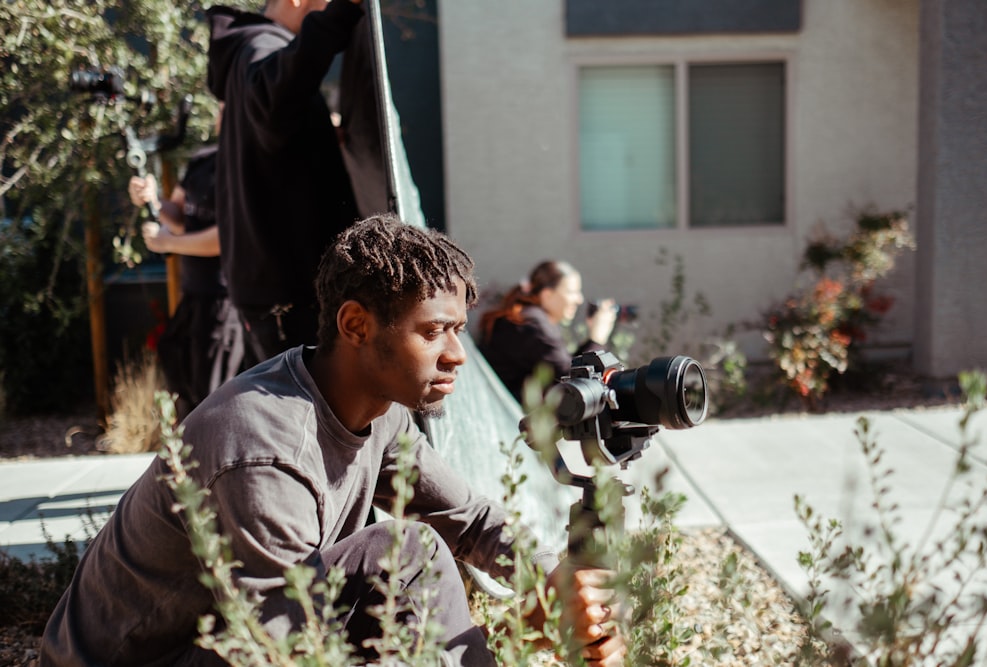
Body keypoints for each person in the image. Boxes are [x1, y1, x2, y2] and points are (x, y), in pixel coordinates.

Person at [40, 214, 625, 667]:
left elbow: (469, 520)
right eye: (432, 331)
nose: (456, 355)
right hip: (141, 660)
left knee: (395, 559)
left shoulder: (378, 409)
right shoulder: (266, 448)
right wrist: (520, 627)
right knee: (405, 555)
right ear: (355, 325)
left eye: (457, 330)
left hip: (241, 631)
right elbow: (281, 651)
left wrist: (551, 580)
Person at [205, 0, 364, 366]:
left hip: (279, 292)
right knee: (306, 417)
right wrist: (342, 14)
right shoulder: (260, 45)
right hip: (292, 299)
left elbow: (275, 137)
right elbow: (274, 98)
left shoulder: (250, 50)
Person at [128, 110, 244, 418]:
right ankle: (189, 462)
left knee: (212, 398)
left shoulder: (244, 165)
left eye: (227, 106)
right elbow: (180, 217)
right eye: (220, 107)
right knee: (178, 372)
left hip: (224, 299)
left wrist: (168, 243)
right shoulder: (202, 160)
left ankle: (212, 462)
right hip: (193, 294)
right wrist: (152, 200)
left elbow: (225, 237)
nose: (223, 112)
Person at [479, 260, 618, 404]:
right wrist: (597, 338)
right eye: (572, 292)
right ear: (547, 295)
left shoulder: (531, 318)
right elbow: (571, 380)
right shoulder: (532, 325)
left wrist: (593, 340)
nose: (579, 300)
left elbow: (565, 367)